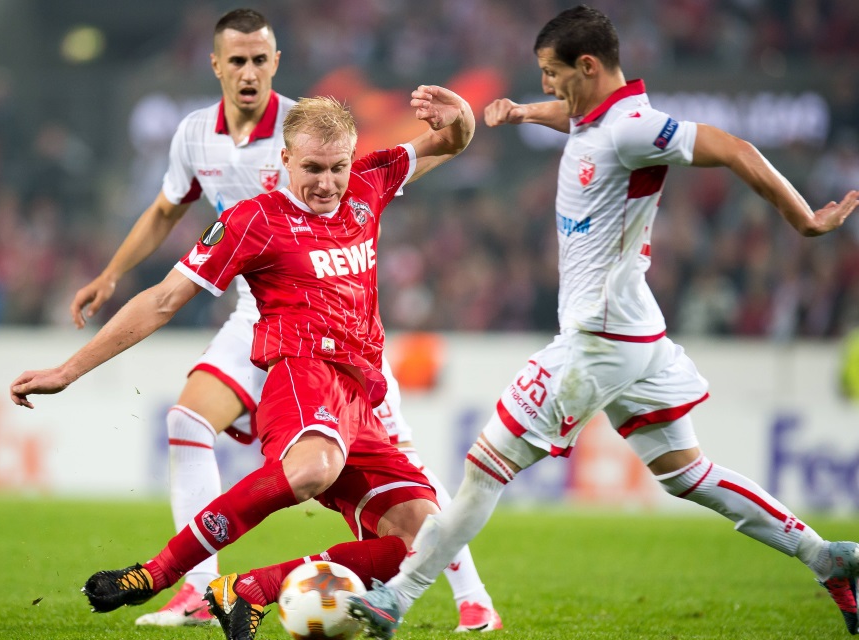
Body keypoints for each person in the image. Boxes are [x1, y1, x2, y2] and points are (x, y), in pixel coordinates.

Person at [346, 5, 859, 638]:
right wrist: (524, 113)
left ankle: (396, 598)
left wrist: (805, 218)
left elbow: (733, 147)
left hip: (597, 340)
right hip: (637, 335)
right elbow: (578, 119)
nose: (545, 85)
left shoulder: (633, 128)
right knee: (688, 474)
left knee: (483, 468)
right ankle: (825, 556)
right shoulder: (602, 119)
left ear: (587, 65)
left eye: (551, 73)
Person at [67, 8, 501, 632]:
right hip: (299, 368)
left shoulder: (367, 182)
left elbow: (450, 142)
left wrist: (460, 117)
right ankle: (162, 575)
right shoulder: (252, 216)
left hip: (362, 387)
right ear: (285, 163)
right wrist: (69, 368)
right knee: (286, 459)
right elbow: (163, 298)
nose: (326, 183)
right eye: (313, 169)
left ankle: (247, 589)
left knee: (420, 537)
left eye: (337, 168)